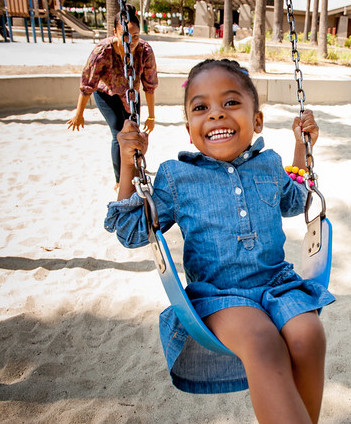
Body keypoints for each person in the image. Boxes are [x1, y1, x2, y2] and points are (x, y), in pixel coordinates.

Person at [105, 59, 335, 423]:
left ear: (256, 121)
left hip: (278, 285)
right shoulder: (176, 177)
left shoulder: (269, 163)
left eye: (230, 103)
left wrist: (301, 146)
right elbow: (132, 232)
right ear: (189, 130)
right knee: (263, 342)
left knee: (310, 335)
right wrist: (129, 165)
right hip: (218, 297)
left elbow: (296, 201)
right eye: (201, 108)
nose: (215, 115)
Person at [67, 4, 158, 190]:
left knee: (133, 130)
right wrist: (79, 113)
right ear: (115, 32)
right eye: (126, 35)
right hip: (106, 94)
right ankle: (120, 179)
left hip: (130, 94)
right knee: (118, 131)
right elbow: (87, 84)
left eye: (136, 36)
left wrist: (151, 116)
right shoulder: (102, 51)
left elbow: (149, 86)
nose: (131, 41)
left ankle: (135, 168)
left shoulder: (144, 51)